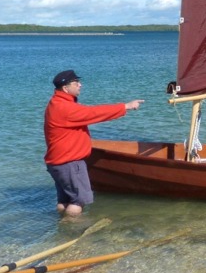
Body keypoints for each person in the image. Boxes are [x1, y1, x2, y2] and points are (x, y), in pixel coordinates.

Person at [44, 70, 143, 216]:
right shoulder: (65, 108)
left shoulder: (56, 103)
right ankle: (73, 229)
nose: (80, 85)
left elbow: (87, 113)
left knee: (65, 200)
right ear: (65, 88)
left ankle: (62, 228)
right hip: (69, 163)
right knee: (79, 201)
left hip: (57, 163)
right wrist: (124, 107)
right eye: (76, 82)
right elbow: (94, 113)